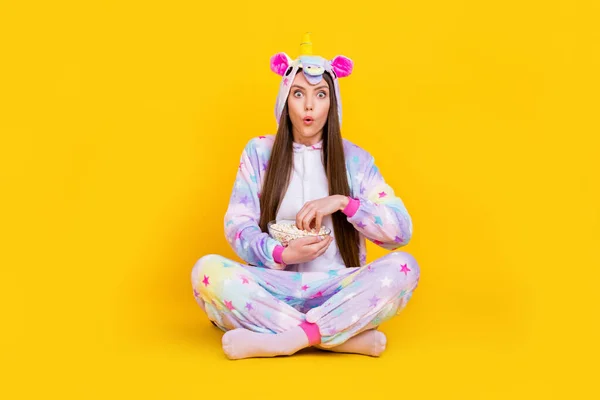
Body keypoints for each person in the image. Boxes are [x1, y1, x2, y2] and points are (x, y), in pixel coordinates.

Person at [191, 33, 421, 360]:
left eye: (320, 94)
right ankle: (337, 337)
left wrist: (344, 203)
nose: (309, 106)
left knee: (405, 267)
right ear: (286, 100)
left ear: (333, 103)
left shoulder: (356, 160)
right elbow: (237, 225)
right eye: (298, 94)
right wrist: (283, 255)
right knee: (206, 271)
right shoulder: (259, 151)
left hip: (338, 289)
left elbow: (401, 231)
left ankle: (284, 340)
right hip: (275, 287)